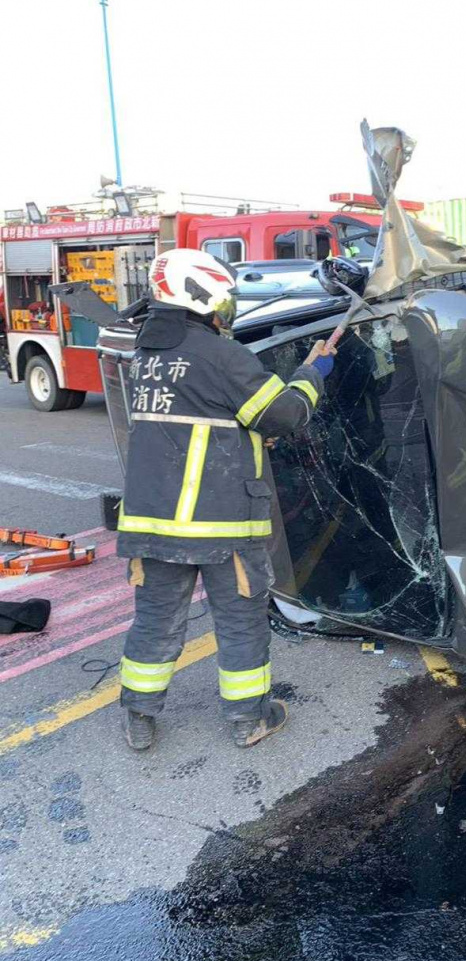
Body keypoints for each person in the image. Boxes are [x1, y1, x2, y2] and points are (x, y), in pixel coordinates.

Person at [116, 248, 335, 751]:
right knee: (240, 623)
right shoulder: (221, 355)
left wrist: (244, 436)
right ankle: (247, 720)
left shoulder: (147, 354)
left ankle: (139, 718)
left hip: (152, 523)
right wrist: (314, 371)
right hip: (222, 524)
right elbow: (283, 414)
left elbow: (198, 423)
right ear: (204, 296)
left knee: (155, 622)